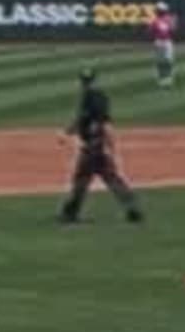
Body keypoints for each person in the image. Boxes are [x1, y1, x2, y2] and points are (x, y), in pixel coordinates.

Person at [56, 70, 144, 225]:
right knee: (112, 178)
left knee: (81, 180)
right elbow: (85, 120)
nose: (85, 84)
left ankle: (70, 214)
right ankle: (132, 208)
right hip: (98, 147)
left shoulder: (92, 98)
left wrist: (110, 147)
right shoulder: (97, 97)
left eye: (86, 82)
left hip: (93, 147)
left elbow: (102, 124)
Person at [150, 2, 180, 88]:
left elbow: (174, 31)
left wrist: (173, 23)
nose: (158, 12)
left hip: (166, 42)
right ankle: (162, 79)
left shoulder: (168, 20)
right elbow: (150, 31)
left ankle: (167, 79)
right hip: (159, 41)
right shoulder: (156, 20)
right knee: (161, 62)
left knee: (167, 61)